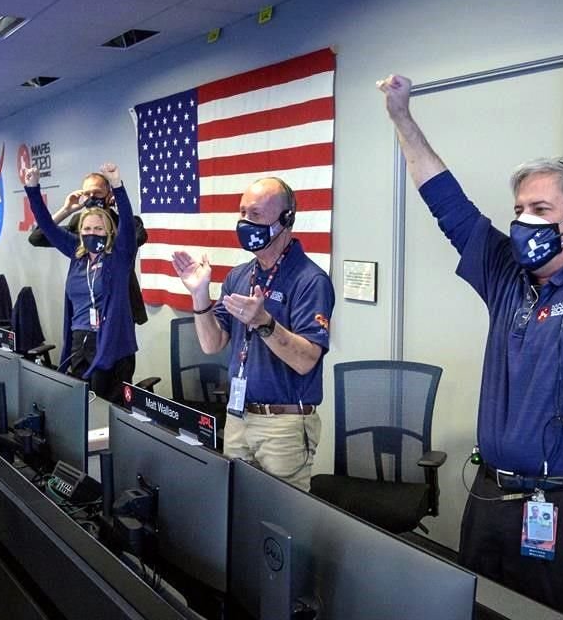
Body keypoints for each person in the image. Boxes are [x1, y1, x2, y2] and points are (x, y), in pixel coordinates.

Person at [378, 73, 563, 619]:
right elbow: (447, 203)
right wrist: (402, 120)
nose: (521, 223)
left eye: (539, 210)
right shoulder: (505, 274)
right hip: (492, 501)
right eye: (518, 209)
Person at [171, 177, 334, 491]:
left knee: (281, 522)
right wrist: (200, 295)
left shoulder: (311, 280)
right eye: (242, 213)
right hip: (238, 416)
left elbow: (306, 360)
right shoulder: (240, 275)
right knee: (236, 512)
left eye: (256, 215)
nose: (245, 222)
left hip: (283, 425)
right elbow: (211, 343)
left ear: (286, 219)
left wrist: (264, 323)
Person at [23, 162, 137, 404]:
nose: (92, 233)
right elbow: (45, 228)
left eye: (98, 228)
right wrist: (32, 189)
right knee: (80, 408)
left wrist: (117, 186)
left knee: (106, 413)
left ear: (109, 232)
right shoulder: (77, 251)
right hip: (80, 341)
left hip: (112, 344)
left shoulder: (119, 256)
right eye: (87, 228)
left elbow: (127, 223)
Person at [28, 170, 149, 325]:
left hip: (120, 307)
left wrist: (119, 206)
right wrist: (66, 210)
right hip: (86, 309)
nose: (92, 197)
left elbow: (138, 237)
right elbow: (37, 237)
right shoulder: (78, 224)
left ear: (108, 194)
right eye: (88, 193)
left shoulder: (125, 223)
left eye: (97, 193)